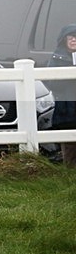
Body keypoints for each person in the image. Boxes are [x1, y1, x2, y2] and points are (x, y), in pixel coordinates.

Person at [46, 24, 76, 167]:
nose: (74, 40)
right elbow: (51, 83)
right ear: (64, 39)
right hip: (66, 109)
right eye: (71, 37)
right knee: (69, 144)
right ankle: (69, 173)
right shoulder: (56, 58)